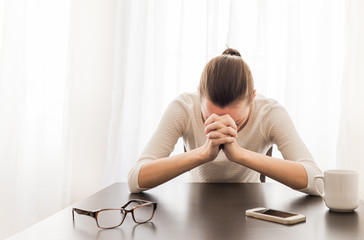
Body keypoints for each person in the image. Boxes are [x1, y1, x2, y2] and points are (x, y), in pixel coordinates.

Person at [128, 48, 322, 195]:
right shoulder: (183, 108)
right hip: (195, 212)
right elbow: (135, 179)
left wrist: (240, 154)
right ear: (199, 95)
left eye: (235, 123)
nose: (223, 129)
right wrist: (203, 153)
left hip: (251, 213)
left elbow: (317, 181)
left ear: (253, 98)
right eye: (210, 119)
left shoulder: (269, 113)